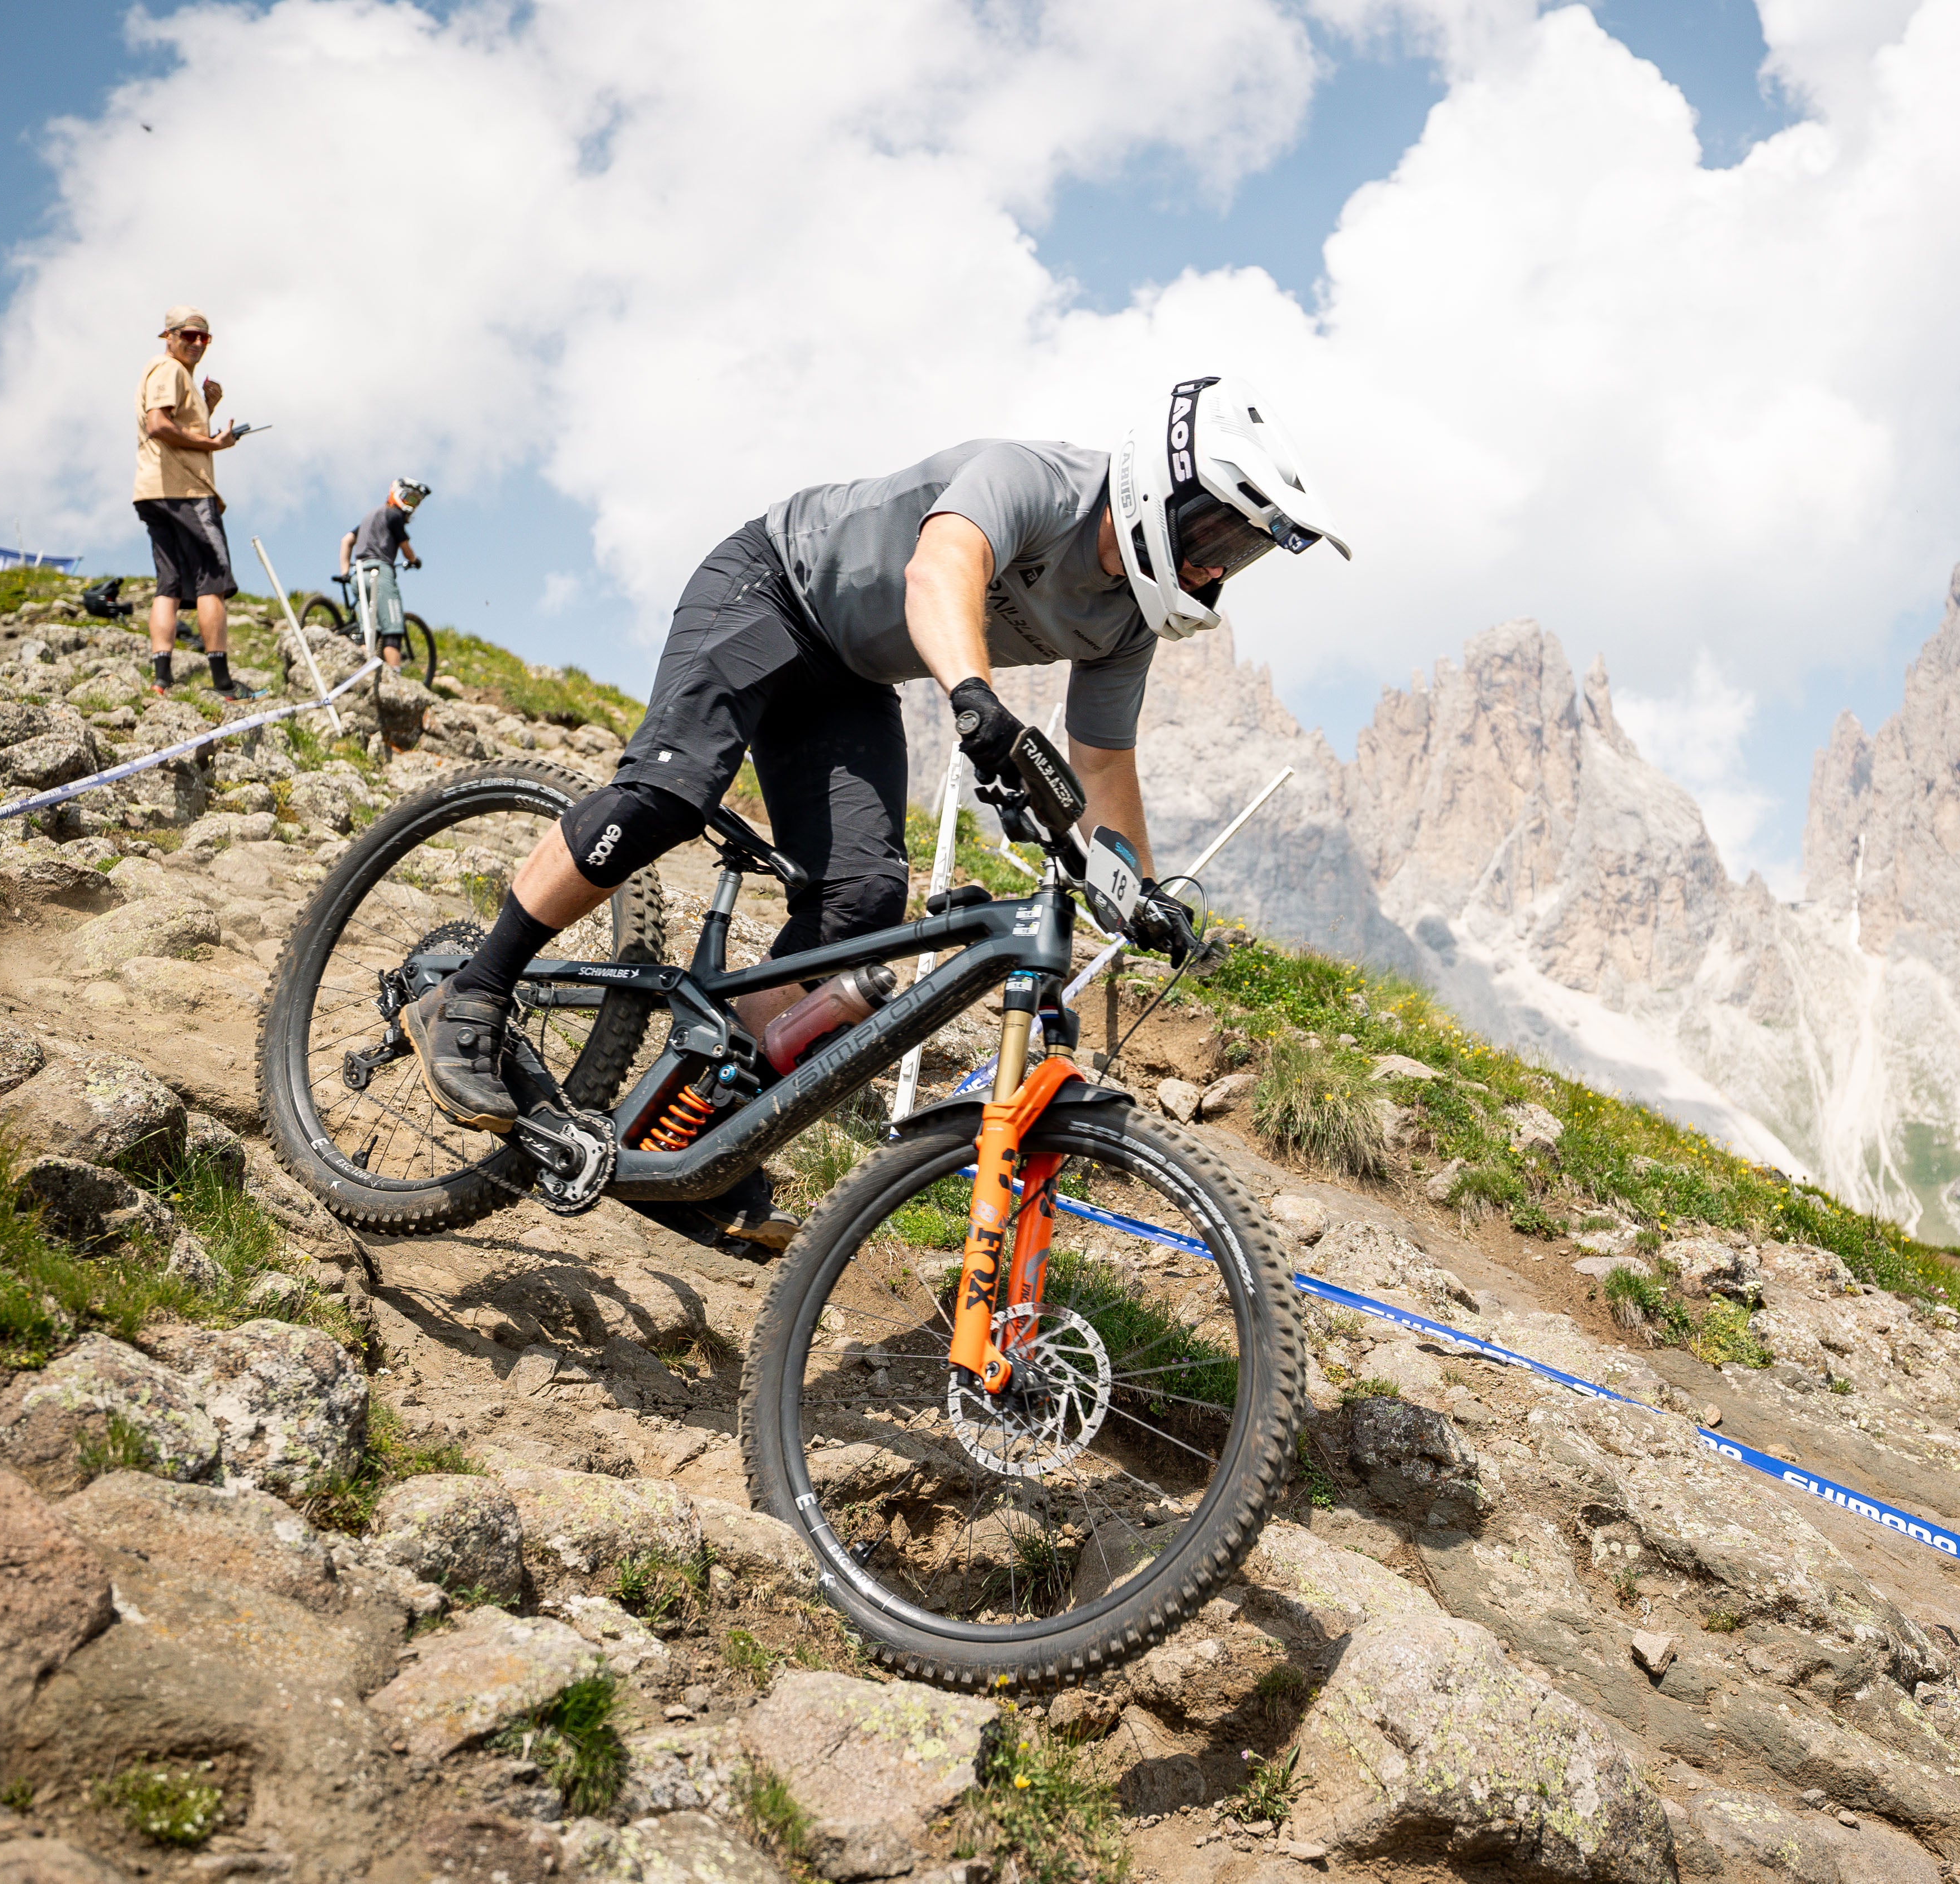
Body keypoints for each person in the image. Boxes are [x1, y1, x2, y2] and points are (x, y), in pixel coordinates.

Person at [401, 374, 1348, 1250]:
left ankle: (702, 1144)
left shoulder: (1124, 623)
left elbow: (1103, 764)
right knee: (670, 795)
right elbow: (938, 574)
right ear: (1162, 487)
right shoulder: (1035, 482)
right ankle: (472, 993)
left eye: (1241, 552)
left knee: (861, 900)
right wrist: (974, 695)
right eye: (1218, 535)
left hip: (848, 676)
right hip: (771, 586)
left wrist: (1136, 890)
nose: (1217, 566)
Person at [134, 306, 258, 700]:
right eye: (189, 335)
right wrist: (214, 443)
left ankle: (161, 680)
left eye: (205, 337)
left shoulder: (173, 375)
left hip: (154, 490)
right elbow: (158, 424)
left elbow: (173, 423)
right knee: (212, 580)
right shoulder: (168, 369)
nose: (198, 344)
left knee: (169, 584)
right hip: (185, 491)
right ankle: (224, 685)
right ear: (168, 336)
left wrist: (206, 405)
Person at [339, 478, 430, 670]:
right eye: (408, 498)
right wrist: (415, 561)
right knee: (393, 628)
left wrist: (346, 572)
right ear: (396, 494)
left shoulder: (369, 517)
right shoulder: (393, 515)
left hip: (358, 574)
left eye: (415, 501)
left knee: (369, 631)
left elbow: (347, 540)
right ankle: (395, 680)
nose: (410, 505)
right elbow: (406, 549)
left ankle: (364, 675)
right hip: (380, 573)